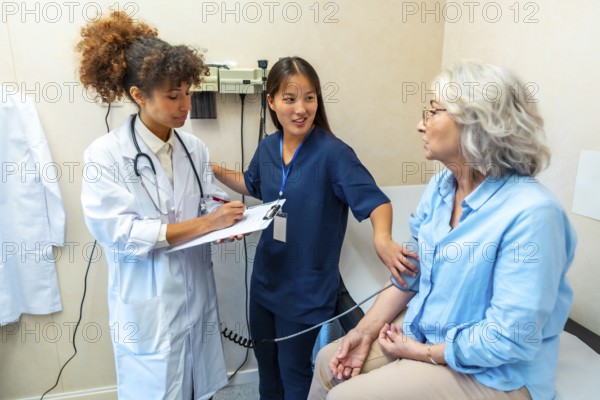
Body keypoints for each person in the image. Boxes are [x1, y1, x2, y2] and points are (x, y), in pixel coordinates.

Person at [308, 61, 577, 400]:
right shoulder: (441, 188)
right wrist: (364, 330)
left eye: (433, 112)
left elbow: (508, 338)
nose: (420, 125)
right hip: (429, 335)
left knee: (346, 396)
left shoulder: (532, 214)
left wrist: (422, 353)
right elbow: (411, 273)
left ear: (477, 123)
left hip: (498, 374)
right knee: (327, 361)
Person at [211, 56, 415, 400]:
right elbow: (251, 183)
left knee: (293, 374)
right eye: (289, 99)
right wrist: (212, 168)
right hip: (264, 282)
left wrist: (383, 238)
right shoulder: (268, 147)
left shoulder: (334, 154)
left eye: (309, 97)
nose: (301, 108)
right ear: (271, 101)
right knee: (267, 369)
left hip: (305, 288)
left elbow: (376, 202)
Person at [77, 11, 246, 399]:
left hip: (196, 296)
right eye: (173, 96)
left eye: (187, 91)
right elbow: (118, 233)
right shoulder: (105, 156)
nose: (185, 104)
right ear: (139, 95)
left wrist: (223, 224)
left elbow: (206, 202)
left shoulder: (194, 148)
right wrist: (206, 225)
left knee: (196, 388)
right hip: (147, 306)